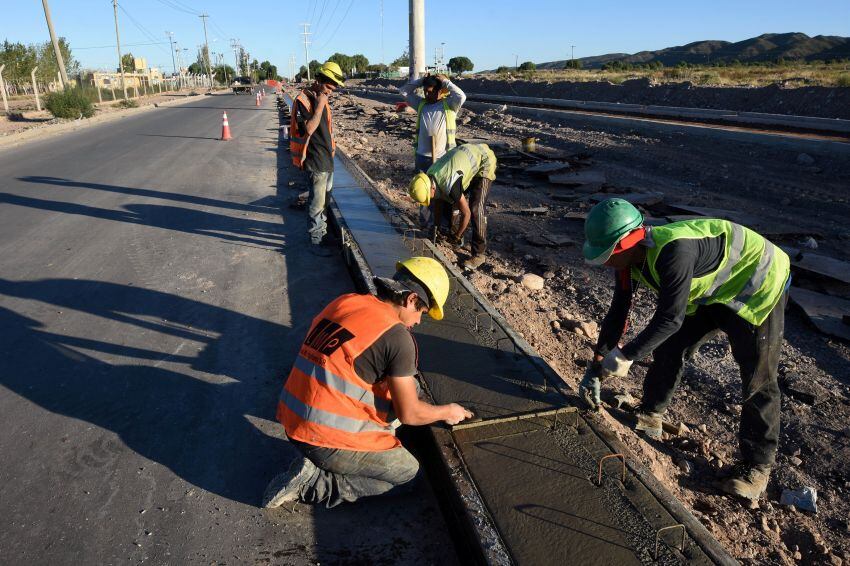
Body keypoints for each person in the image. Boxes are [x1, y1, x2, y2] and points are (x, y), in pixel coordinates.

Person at [579, 198, 790, 500]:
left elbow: (669, 318)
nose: (606, 262)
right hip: (711, 291)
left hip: (757, 283)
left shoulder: (674, 253)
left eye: (608, 255)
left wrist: (626, 356)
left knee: (758, 377)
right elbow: (619, 311)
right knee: (670, 347)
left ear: (629, 242)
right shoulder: (628, 260)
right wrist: (597, 363)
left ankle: (757, 468)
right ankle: (651, 413)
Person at [263, 257, 473, 508]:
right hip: (323, 437)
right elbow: (409, 414)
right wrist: (449, 411)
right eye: (421, 313)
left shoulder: (347, 301)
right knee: (408, 474)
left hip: (293, 418)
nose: (418, 321)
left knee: (410, 387)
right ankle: (315, 484)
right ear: (411, 300)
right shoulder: (397, 337)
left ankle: (320, 460)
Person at [408, 143, 497, 271]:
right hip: (463, 161)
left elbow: (466, 214)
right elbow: (438, 203)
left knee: (476, 209)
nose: (431, 199)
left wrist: (458, 235)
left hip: (483, 160)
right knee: (449, 201)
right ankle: (452, 237)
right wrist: (435, 227)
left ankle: (479, 254)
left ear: (431, 188)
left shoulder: (450, 184)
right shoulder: (430, 176)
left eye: (430, 197)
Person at [399, 74, 467, 230]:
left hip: (443, 158)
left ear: (441, 91)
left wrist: (445, 82)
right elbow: (403, 92)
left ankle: (443, 226)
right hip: (423, 157)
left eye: (430, 91)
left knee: (444, 194)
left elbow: (461, 96)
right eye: (425, 91)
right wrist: (421, 81)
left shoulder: (450, 105)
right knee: (423, 192)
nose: (427, 95)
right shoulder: (421, 104)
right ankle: (426, 224)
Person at [290, 61, 345, 247]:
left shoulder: (323, 98)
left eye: (333, 89)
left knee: (325, 202)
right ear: (319, 80)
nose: (330, 92)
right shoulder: (303, 100)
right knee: (316, 203)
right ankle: (316, 241)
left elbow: (326, 130)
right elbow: (309, 129)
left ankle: (323, 232)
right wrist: (321, 103)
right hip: (315, 159)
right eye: (329, 87)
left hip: (327, 158)